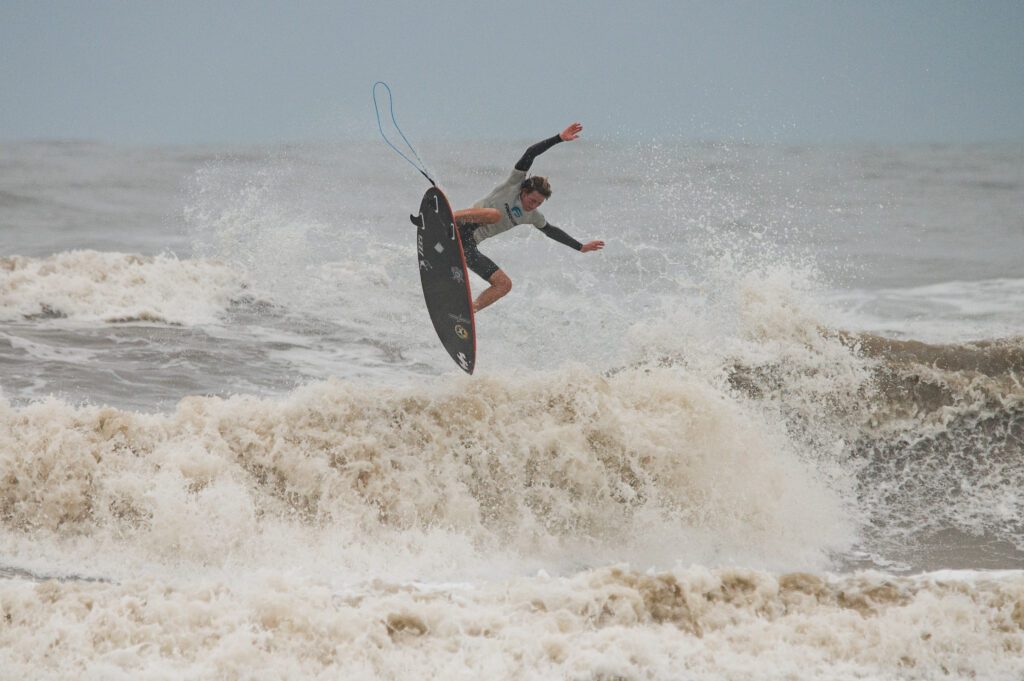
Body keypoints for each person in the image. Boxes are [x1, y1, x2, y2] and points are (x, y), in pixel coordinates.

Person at [452, 122, 604, 313]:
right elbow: (530, 152)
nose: (533, 206)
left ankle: (468, 310)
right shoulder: (513, 185)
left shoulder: (532, 216)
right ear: (524, 191)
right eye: (532, 200)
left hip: (467, 245)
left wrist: (580, 247)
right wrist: (558, 138)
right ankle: (449, 218)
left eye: (538, 204)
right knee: (494, 215)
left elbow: (551, 231)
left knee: (504, 285)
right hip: (460, 227)